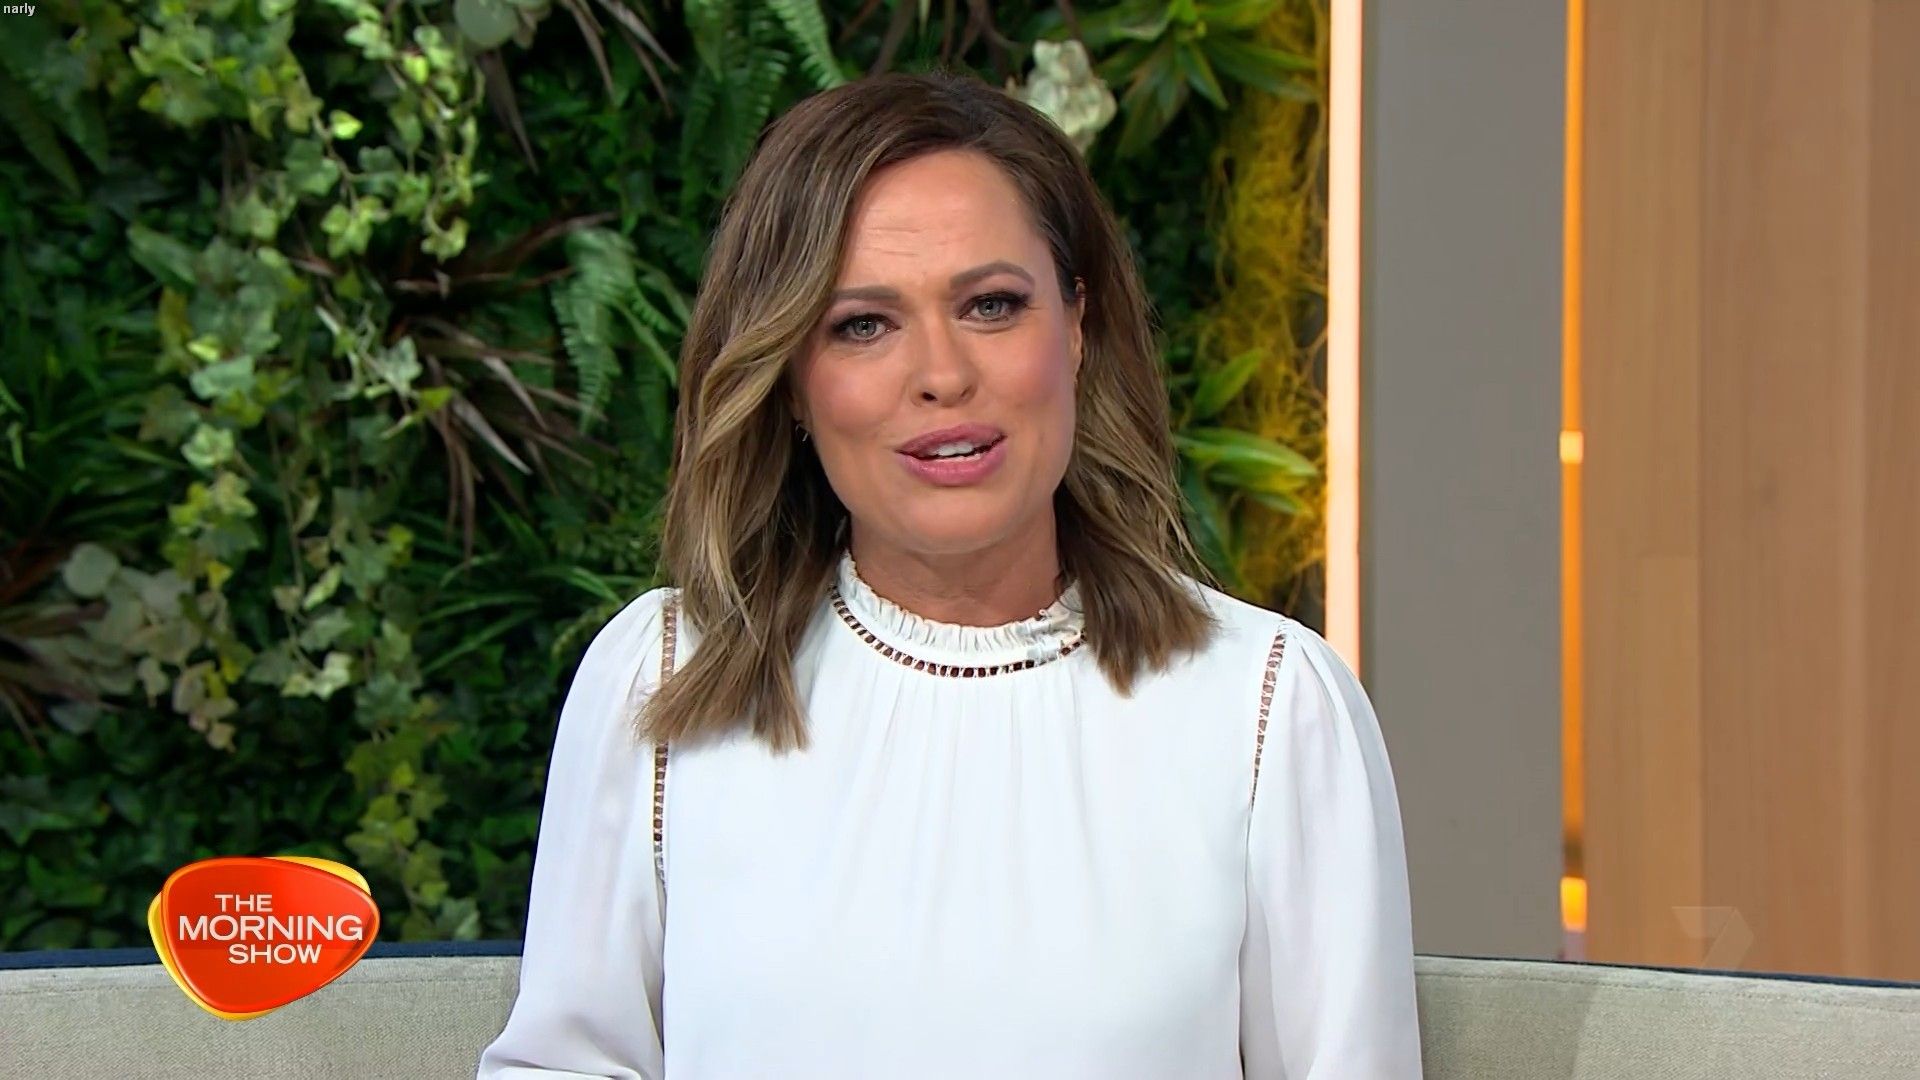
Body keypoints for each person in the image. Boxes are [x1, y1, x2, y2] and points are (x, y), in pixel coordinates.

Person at [477, 69, 1422, 1079]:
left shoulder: (1270, 706)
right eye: (862, 324)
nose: (941, 374)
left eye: (991, 305)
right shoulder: (663, 676)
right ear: (789, 378)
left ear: (1078, 324)